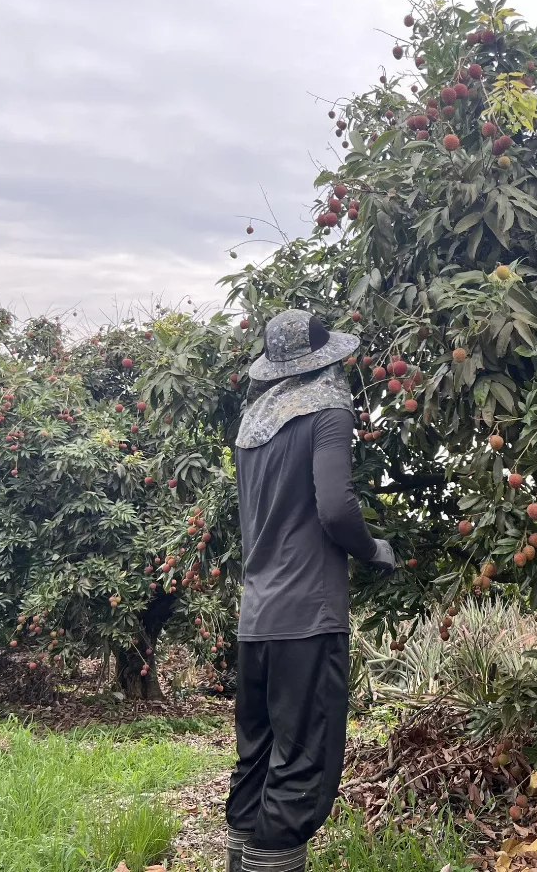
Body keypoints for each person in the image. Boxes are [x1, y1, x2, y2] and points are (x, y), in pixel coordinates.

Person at [225, 309, 395, 872]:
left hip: (257, 617)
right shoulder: (328, 412)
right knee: (301, 769)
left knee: (256, 760)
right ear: (324, 360)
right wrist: (373, 551)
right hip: (308, 617)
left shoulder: (253, 424)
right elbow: (336, 507)